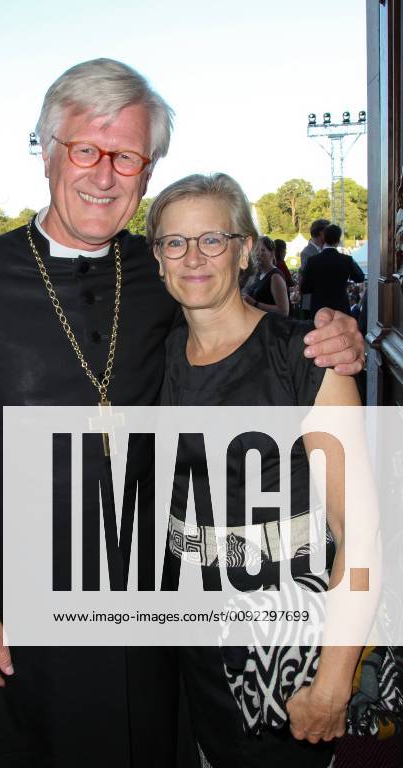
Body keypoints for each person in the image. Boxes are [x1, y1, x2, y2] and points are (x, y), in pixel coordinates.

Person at [0, 59, 364, 767]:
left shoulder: (162, 271)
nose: (103, 173)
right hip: (23, 603)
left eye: (127, 156)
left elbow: (244, 328)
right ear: (46, 149)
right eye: (85, 149)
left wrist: (333, 336)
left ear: (147, 174)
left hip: (157, 603)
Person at [147, 173, 363, 768]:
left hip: (283, 654)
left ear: (246, 250)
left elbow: (363, 536)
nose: (193, 257)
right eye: (174, 242)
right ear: (158, 258)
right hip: (188, 644)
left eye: (212, 239)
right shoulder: (153, 360)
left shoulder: (306, 358)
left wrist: (333, 684)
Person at [300, 224, 365, 320]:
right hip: (340, 308)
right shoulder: (346, 260)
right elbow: (360, 277)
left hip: (319, 309)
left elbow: (305, 288)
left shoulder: (312, 261)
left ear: (323, 239)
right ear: (338, 241)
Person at [243, 236, 289, 315]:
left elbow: (284, 311)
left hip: (269, 325)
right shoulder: (257, 274)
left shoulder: (275, 276)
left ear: (272, 253)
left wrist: (255, 303)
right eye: (256, 250)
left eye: (262, 250)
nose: (258, 253)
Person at [299, 219, 330, 317]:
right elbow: (309, 278)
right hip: (312, 303)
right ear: (321, 233)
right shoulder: (306, 253)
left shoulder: (324, 250)